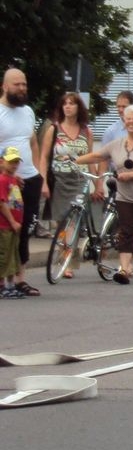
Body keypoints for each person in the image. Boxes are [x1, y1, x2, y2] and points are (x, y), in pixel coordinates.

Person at [74, 104, 133, 284]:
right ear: (124, 121)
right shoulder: (116, 144)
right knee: (127, 232)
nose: (131, 122)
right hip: (125, 196)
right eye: (128, 118)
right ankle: (124, 269)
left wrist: (131, 175)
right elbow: (98, 156)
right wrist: (76, 160)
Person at [0, 68, 47, 296]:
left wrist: (40, 175)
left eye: (24, 84)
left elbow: (33, 143)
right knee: (5, 231)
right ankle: (2, 280)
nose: (21, 88)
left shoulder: (28, 112)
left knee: (25, 228)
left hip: (30, 179)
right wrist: (5, 175)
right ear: (4, 86)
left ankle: (20, 279)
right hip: (7, 183)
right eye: (17, 84)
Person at [38, 92, 96, 235]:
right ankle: (64, 246)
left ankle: (68, 246)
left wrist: (98, 184)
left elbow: (90, 159)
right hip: (59, 181)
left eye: (71, 103)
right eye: (65, 104)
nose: (67, 107)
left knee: (75, 220)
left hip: (80, 181)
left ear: (78, 107)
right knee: (61, 221)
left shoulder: (87, 131)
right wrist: (43, 182)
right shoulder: (54, 129)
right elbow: (44, 157)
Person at [0, 146, 24, 299]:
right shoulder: (2, 180)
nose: (14, 165)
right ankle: (1, 285)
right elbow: (2, 203)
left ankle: (10, 285)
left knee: (13, 256)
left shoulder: (14, 179)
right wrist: (12, 221)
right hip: (4, 225)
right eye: (10, 162)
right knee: (4, 255)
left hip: (14, 226)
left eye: (16, 162)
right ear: (1, 162)